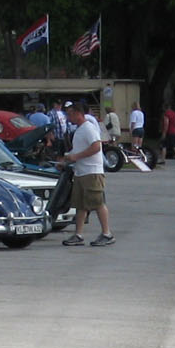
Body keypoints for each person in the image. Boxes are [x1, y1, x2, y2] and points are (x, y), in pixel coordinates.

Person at [60, 96, 112, 246]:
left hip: (92, 172)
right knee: (81, 205)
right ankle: (78, 234)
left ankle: (107, 233)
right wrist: (66, 160)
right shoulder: (79, 130)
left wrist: (76, 157)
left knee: (98, 202)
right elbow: (78, 150)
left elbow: (96, 147)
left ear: (78, 113)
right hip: (81, 172)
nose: (68, 117)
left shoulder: (89, 128)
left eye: (70, 114)